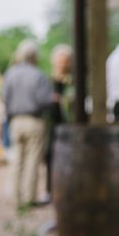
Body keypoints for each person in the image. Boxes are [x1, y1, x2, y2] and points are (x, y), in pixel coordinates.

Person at [2, 39, 54, 208]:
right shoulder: (38, 74)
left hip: (15, 121)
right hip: (34, 120)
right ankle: (29, 198)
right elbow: (44, 100)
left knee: (17, 160)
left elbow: (4, 98)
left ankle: (17, 198)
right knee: (32, 160)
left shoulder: (10, 74)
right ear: (33, 56)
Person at [44, 43, 72, 197]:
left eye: (65, 60)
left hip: (67, 123)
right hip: (51, 123)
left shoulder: (72, 81)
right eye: (59, 59)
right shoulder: (48, 80)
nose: (62, 62)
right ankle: (50, 188)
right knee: (50, 154)